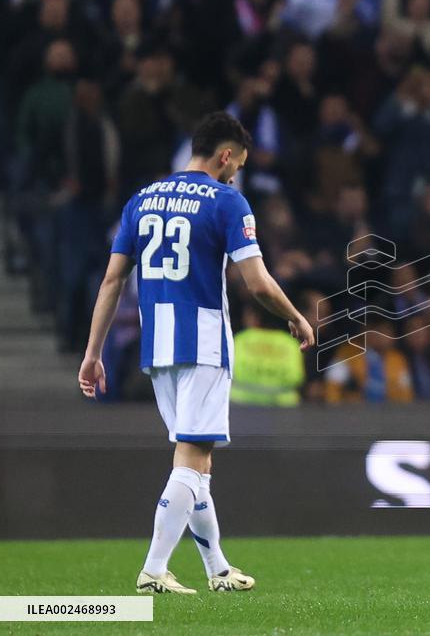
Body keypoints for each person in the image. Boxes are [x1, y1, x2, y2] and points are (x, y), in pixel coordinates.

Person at [78, 112, 315, 595]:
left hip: (157, 346)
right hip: (203, 342)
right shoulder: (227, 201)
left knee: (197, 461)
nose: (236, 176)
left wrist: (92, 351)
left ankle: (217, 570)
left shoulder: (142, 199)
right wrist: (294, 314)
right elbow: (257, 283)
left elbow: (112, 280)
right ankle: (154, 569)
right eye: (238, 166)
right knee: (190, 459)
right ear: (226, 156)